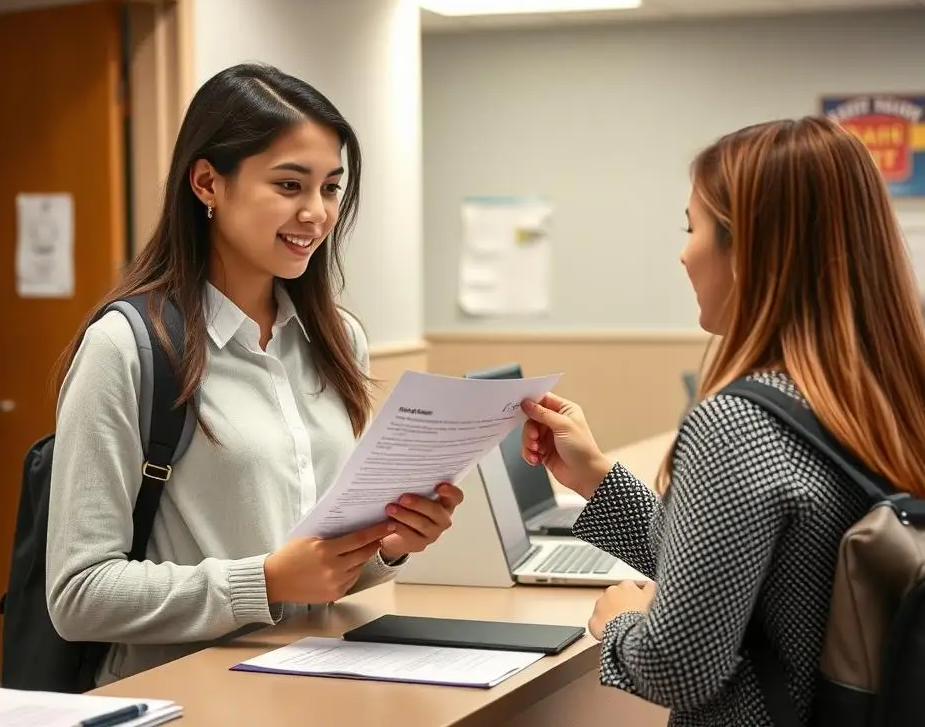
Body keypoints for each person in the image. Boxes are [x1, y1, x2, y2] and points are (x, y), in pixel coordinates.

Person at [45, 63, 463, 685]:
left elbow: (322, 566)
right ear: (209, 182)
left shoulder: (337, 339)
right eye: (290, 185)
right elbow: (79, 595)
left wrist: (387, 544)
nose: (317, 214)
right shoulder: (127, 347)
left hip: (321, 681)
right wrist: (263, 582)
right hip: (188, 698)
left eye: (330, 188)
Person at [519, 117, 925, 726]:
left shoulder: (739, 424)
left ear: (754, 249)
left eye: (693, 227)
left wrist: (620, 621)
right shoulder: (888, 395)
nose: (684, 253)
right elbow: (740, 568)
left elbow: (677, 662)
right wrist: (599, 477)